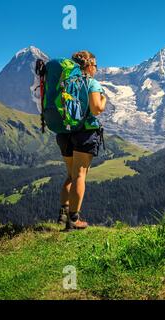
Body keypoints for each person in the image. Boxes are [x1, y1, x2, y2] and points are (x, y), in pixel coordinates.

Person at [56, 50, 107, 231]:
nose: (96, 69)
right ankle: (74, 219)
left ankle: (63, 214)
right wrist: (104, 98)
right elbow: (96, 109)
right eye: (95, 66)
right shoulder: (91, 82)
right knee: (80, 175)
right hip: (84, 133)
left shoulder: (64, 83)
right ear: (88, 66)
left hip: (64, 133)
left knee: (70, 175)